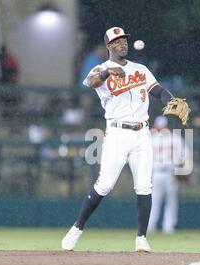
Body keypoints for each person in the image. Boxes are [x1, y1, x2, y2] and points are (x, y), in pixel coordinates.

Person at [61, 27, 183, 252]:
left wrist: (172, 100)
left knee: (145, 186)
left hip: (142, 134)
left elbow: (158, 91)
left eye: (124, 40)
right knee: (105, 185)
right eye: (117, 41)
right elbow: (90, 83)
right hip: (117, 133)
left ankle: (141, 238)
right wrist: (108, 73)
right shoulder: (101, 68)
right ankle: (77, 228)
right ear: (109, 46)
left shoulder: (141, 70)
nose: (123, 44)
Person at [147, 116, 190, 234]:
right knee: (158, 201)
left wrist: (182, 171)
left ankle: (166, 226)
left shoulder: (154, 138)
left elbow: (186, 155)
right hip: (160, 173)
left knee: (165, 201)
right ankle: (156, 226)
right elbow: (186, 155)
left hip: (167, 173)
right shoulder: (172, 138)